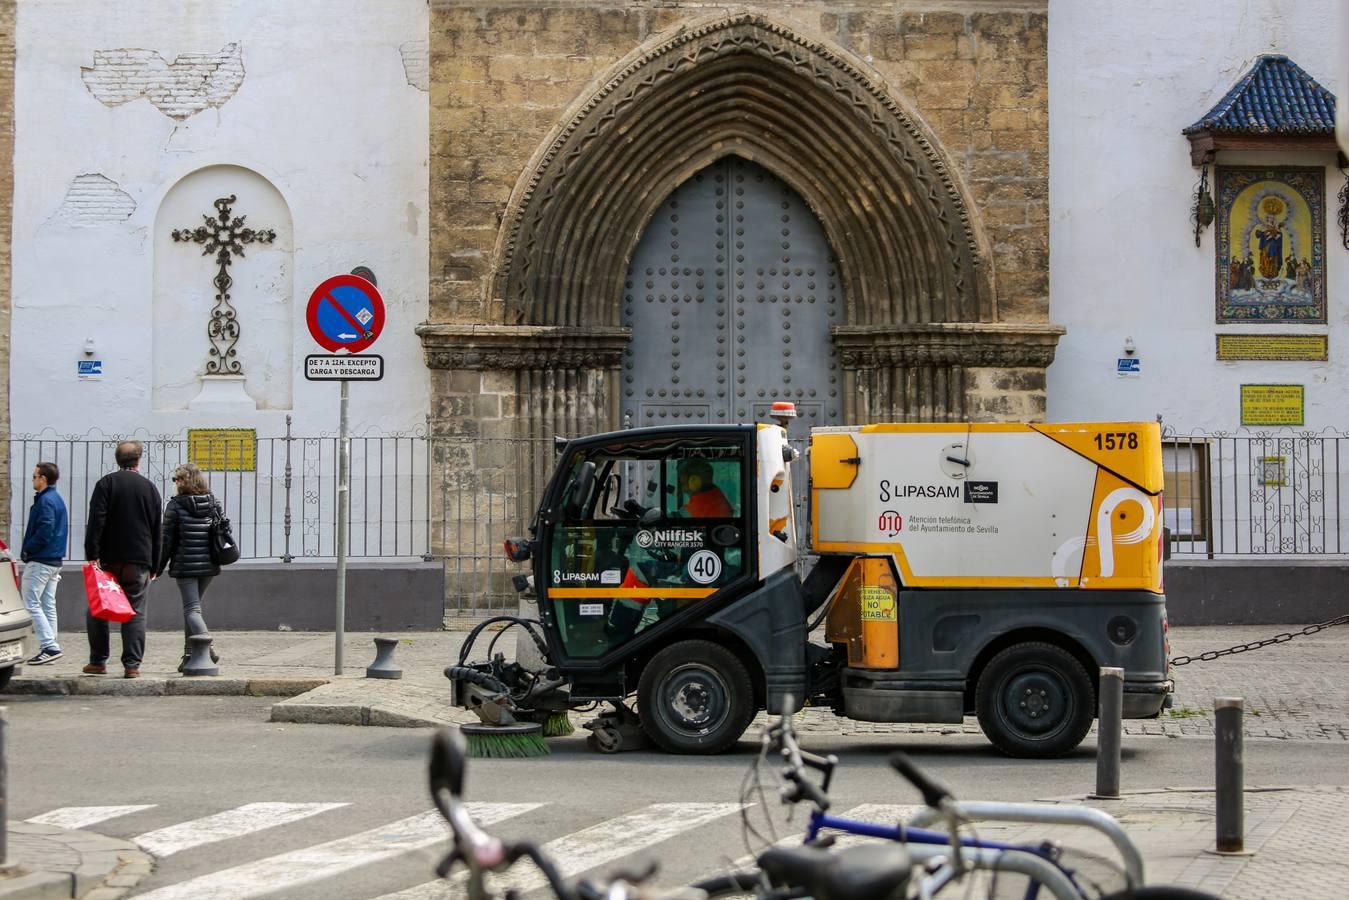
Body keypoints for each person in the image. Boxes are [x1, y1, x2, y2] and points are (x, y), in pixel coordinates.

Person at [84, 440, 163, 678]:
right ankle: (132, 665)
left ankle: (98, 661)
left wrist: (92, 555)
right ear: (138, 460)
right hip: (138, 559)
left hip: (108, 560)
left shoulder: (106, 484)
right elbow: (156, 529)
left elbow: (96, 521)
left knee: (98, 609)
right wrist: (156, 564)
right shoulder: (150, 488)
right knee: (136, 611)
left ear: (118, 460)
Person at [157, 464, 222, 673]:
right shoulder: (212, 502)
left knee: (192, 610)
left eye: (176, 479)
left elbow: (166, 540)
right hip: (209, 564)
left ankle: (207, 646)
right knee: (193, 609)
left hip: (185, 565)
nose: (174, 484)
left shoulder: (175, 505)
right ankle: (189, 655)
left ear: (182, 482)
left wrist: (157, 567)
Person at [20, 462, 68, 665]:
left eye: (34, 476)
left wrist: (28, 548)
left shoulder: (46, 501)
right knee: (48, 605)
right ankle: (51, 646)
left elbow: (45, 530)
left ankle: (49, 646)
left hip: (41, 559)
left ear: (43, 478)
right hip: (54, 560)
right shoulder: (55, 498)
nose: (33, 479)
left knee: (31, 603)